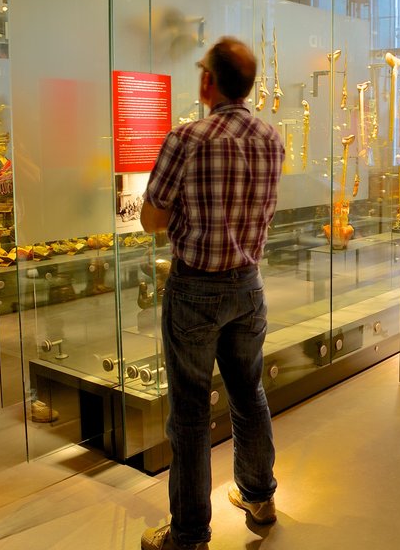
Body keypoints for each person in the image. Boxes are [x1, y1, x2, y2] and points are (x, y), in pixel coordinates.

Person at [139, 37, 284, 550]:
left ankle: (189, 535)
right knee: (249, 392)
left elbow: (152, 218)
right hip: (249, 286)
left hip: (195, 289)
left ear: (209, 81)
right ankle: (260, 496)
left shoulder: (188, 138)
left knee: (192, 412)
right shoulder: (271, 137)